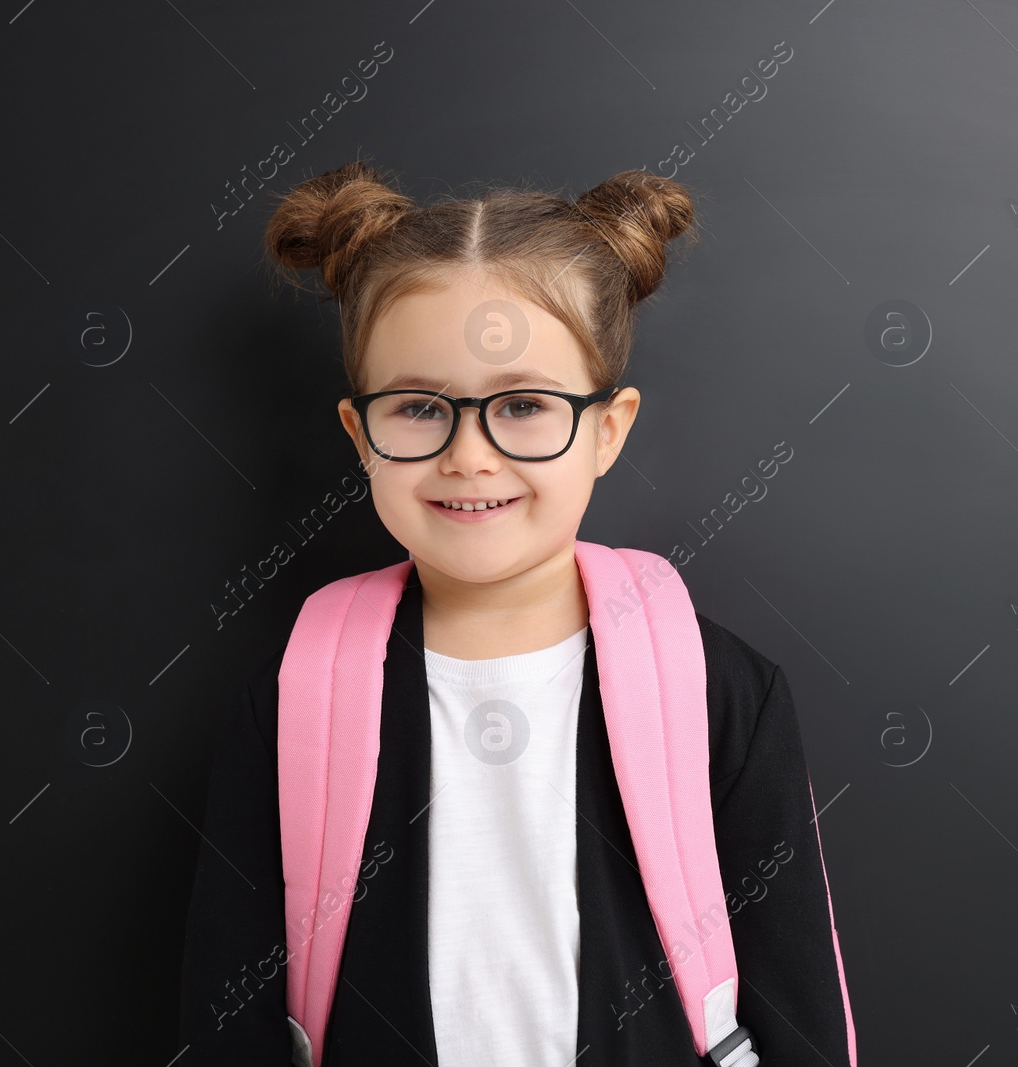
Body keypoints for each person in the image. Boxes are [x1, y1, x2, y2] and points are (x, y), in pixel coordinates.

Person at [176, 159, 856, 1066]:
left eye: (525, 406)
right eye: (419, 407)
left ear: (607, 430)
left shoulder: (721, 689)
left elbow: (801, 1005)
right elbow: (228, 1021)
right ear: (358, 434)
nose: (469, 455)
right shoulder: (293, 698)